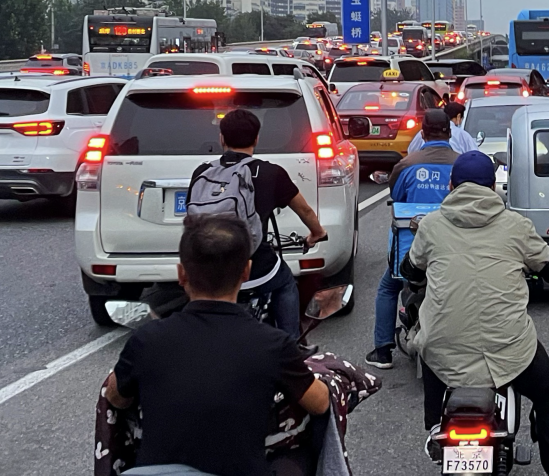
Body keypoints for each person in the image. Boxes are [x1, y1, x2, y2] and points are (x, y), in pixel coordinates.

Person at [105, 214, 330, 476]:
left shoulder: (147, 338)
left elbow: (116, 398)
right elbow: (320, 403)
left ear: (181, 274)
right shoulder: (273, 344)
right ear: (246, 271)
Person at [401, 152, 549, 476]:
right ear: (493, 186)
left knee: (429, 343)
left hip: (446, 351)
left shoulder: (431, 227)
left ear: (452, 185)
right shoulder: (516, 226)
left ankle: (434, 428)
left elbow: (411, 269)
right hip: (509, 351)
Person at [187, 109, 327, 341]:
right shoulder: (271, 173)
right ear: (256, 139)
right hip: (254, 265)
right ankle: (292, 346)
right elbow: (305, 210)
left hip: (209, 266)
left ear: (222, 138)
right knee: (285, 283)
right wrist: (317, 233)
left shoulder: (202, 172)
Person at [367, 109, 458, 370]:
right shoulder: (461, 163)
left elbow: (397, 196)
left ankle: (382, 350)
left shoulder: (407, 164)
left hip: (414, 248)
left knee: (388, 287)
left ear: (422, 132)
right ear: (449, 133)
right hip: (454, 246)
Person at [407, 101, 479, 154]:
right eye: (461, 118)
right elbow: (474, 155)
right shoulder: (462, 135)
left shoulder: (424, 132)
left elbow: (411, 151)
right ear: (458, 116)